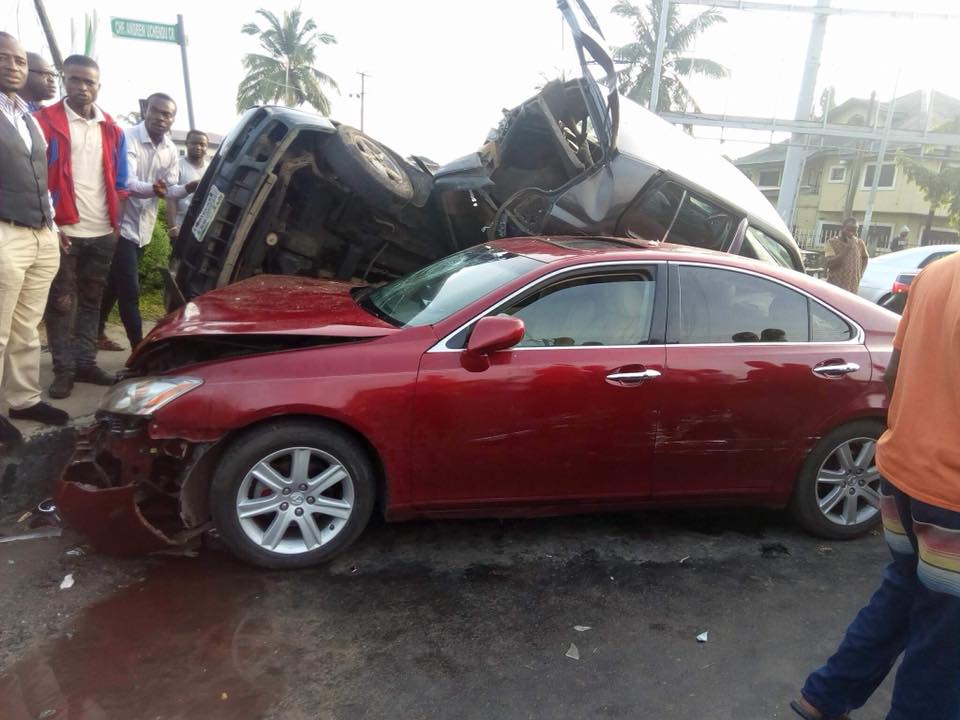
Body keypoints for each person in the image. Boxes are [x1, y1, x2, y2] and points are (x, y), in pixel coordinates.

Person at [791, 250, 960, 720]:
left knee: (904, 591)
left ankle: (823, 698)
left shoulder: (938, 273)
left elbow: (893, 373)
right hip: (952, 495)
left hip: (903, 474)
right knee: (945, 646)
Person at [34, 55, 128, 399]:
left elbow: (121, 182)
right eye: (75, 80)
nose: (82, 87)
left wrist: (116, 226)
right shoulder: (44, 122)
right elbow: (36, 177)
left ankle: (86, 362)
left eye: (89, 82)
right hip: (64, 232)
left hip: (102, 232)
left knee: (92, 300)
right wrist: (51, 224)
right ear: (64, 80)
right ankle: (64, 369)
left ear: (98, 86)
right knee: (60, 304)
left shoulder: (112, 129)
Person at [0, 32, 68, 449]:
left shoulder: (27, 116)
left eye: (20, 61)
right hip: (5, 232)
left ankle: (22, 398)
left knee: (26, 327)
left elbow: (42, 180)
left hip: (40, 234)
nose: (13, 65)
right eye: (4, 58)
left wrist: (53, 228)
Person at [97, 93, 196, 351]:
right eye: (156, 111)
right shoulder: (127, 137)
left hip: (144, 228)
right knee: (130, 290)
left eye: (167, 114)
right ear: (146, 111)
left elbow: (170, 190)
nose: (161, 118)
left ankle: (95, 332)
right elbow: (126, 183)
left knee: (115, 285)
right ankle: (138, 348)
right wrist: (156, 189)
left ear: (173, 119)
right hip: (121, 225)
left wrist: (189, 187)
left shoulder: (170, 149)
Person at [166, 129, 208, 240]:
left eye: (202, 144)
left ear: (206, 147)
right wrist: (172, 226)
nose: (198, 147)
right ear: (186, 144)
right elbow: (171, 198)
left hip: (202, 226)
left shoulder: (210, 169)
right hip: (180, 225)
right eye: (194, 143)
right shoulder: (177, 166)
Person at [824, 217, 869, 293]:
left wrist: (860, 273)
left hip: (853, 286)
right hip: (836, 285)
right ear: (842, 229)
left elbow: (865, 258)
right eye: (848, 230)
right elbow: (829, 263)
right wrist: (847, 249)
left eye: (854, 231)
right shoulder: (831, 242)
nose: (851, 233)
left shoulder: (859, 243)